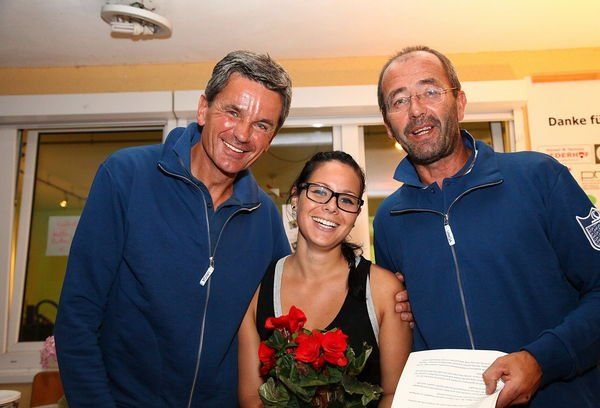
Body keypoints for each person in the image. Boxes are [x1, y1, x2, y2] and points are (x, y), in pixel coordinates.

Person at [54, 50, 293, 407]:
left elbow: (285, 321)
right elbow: (78, 315)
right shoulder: (126, 176)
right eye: (233, 112)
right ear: (203, 109)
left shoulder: (266, 217)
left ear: (271, 138)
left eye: (262, 125)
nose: (243, 134)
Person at [373, 45, 600, 408]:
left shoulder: (539, 177)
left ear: (460, 103)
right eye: (399, 101)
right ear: (388, 126)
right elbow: (405, 326)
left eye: (430, 91)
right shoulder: (389, 219)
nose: (416, 110)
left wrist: (541, 360)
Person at [238, 151, 412, 407]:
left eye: (346, 199)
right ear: (295, 197)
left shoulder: (383, 290)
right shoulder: (258, 287)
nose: (332, 206)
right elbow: (252, 397)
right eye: (319, 191)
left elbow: (395, 394)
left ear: (356, 214)